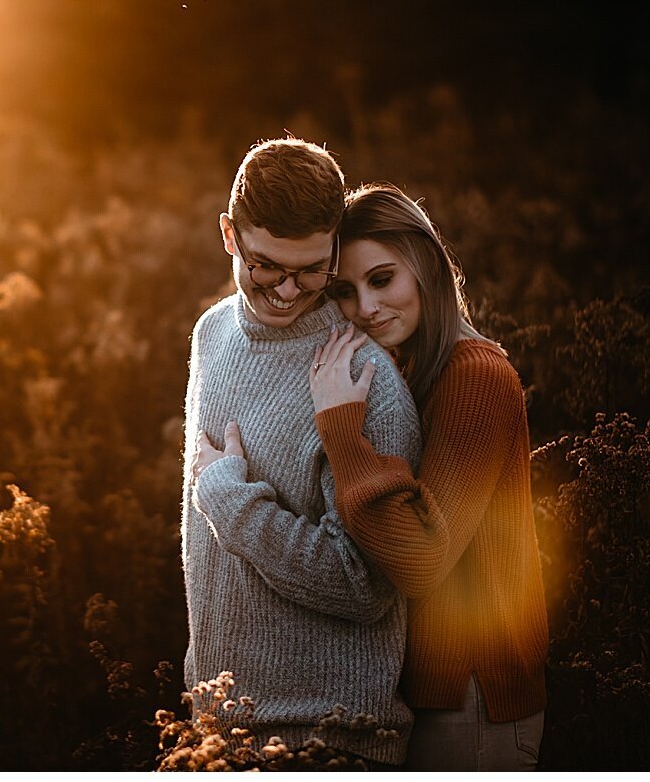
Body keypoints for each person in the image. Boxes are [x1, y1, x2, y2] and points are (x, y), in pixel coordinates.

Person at [181, 138, 421, 766]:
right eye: (267, 267)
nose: (289, 291)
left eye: (313, 270)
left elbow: (366, 584)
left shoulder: (367, 383)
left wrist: (230, 500)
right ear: (229, 235)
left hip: (328, 740)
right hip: (214, 728)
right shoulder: (212, 334)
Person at [307, 182, 549, 770]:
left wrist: (343, 432)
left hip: (472, 700)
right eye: (345, 291)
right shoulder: (415, 371)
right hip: (427, 696)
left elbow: (423, 557)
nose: (365, 308)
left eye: (382, 279)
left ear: (427, 267)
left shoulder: (475, 377)